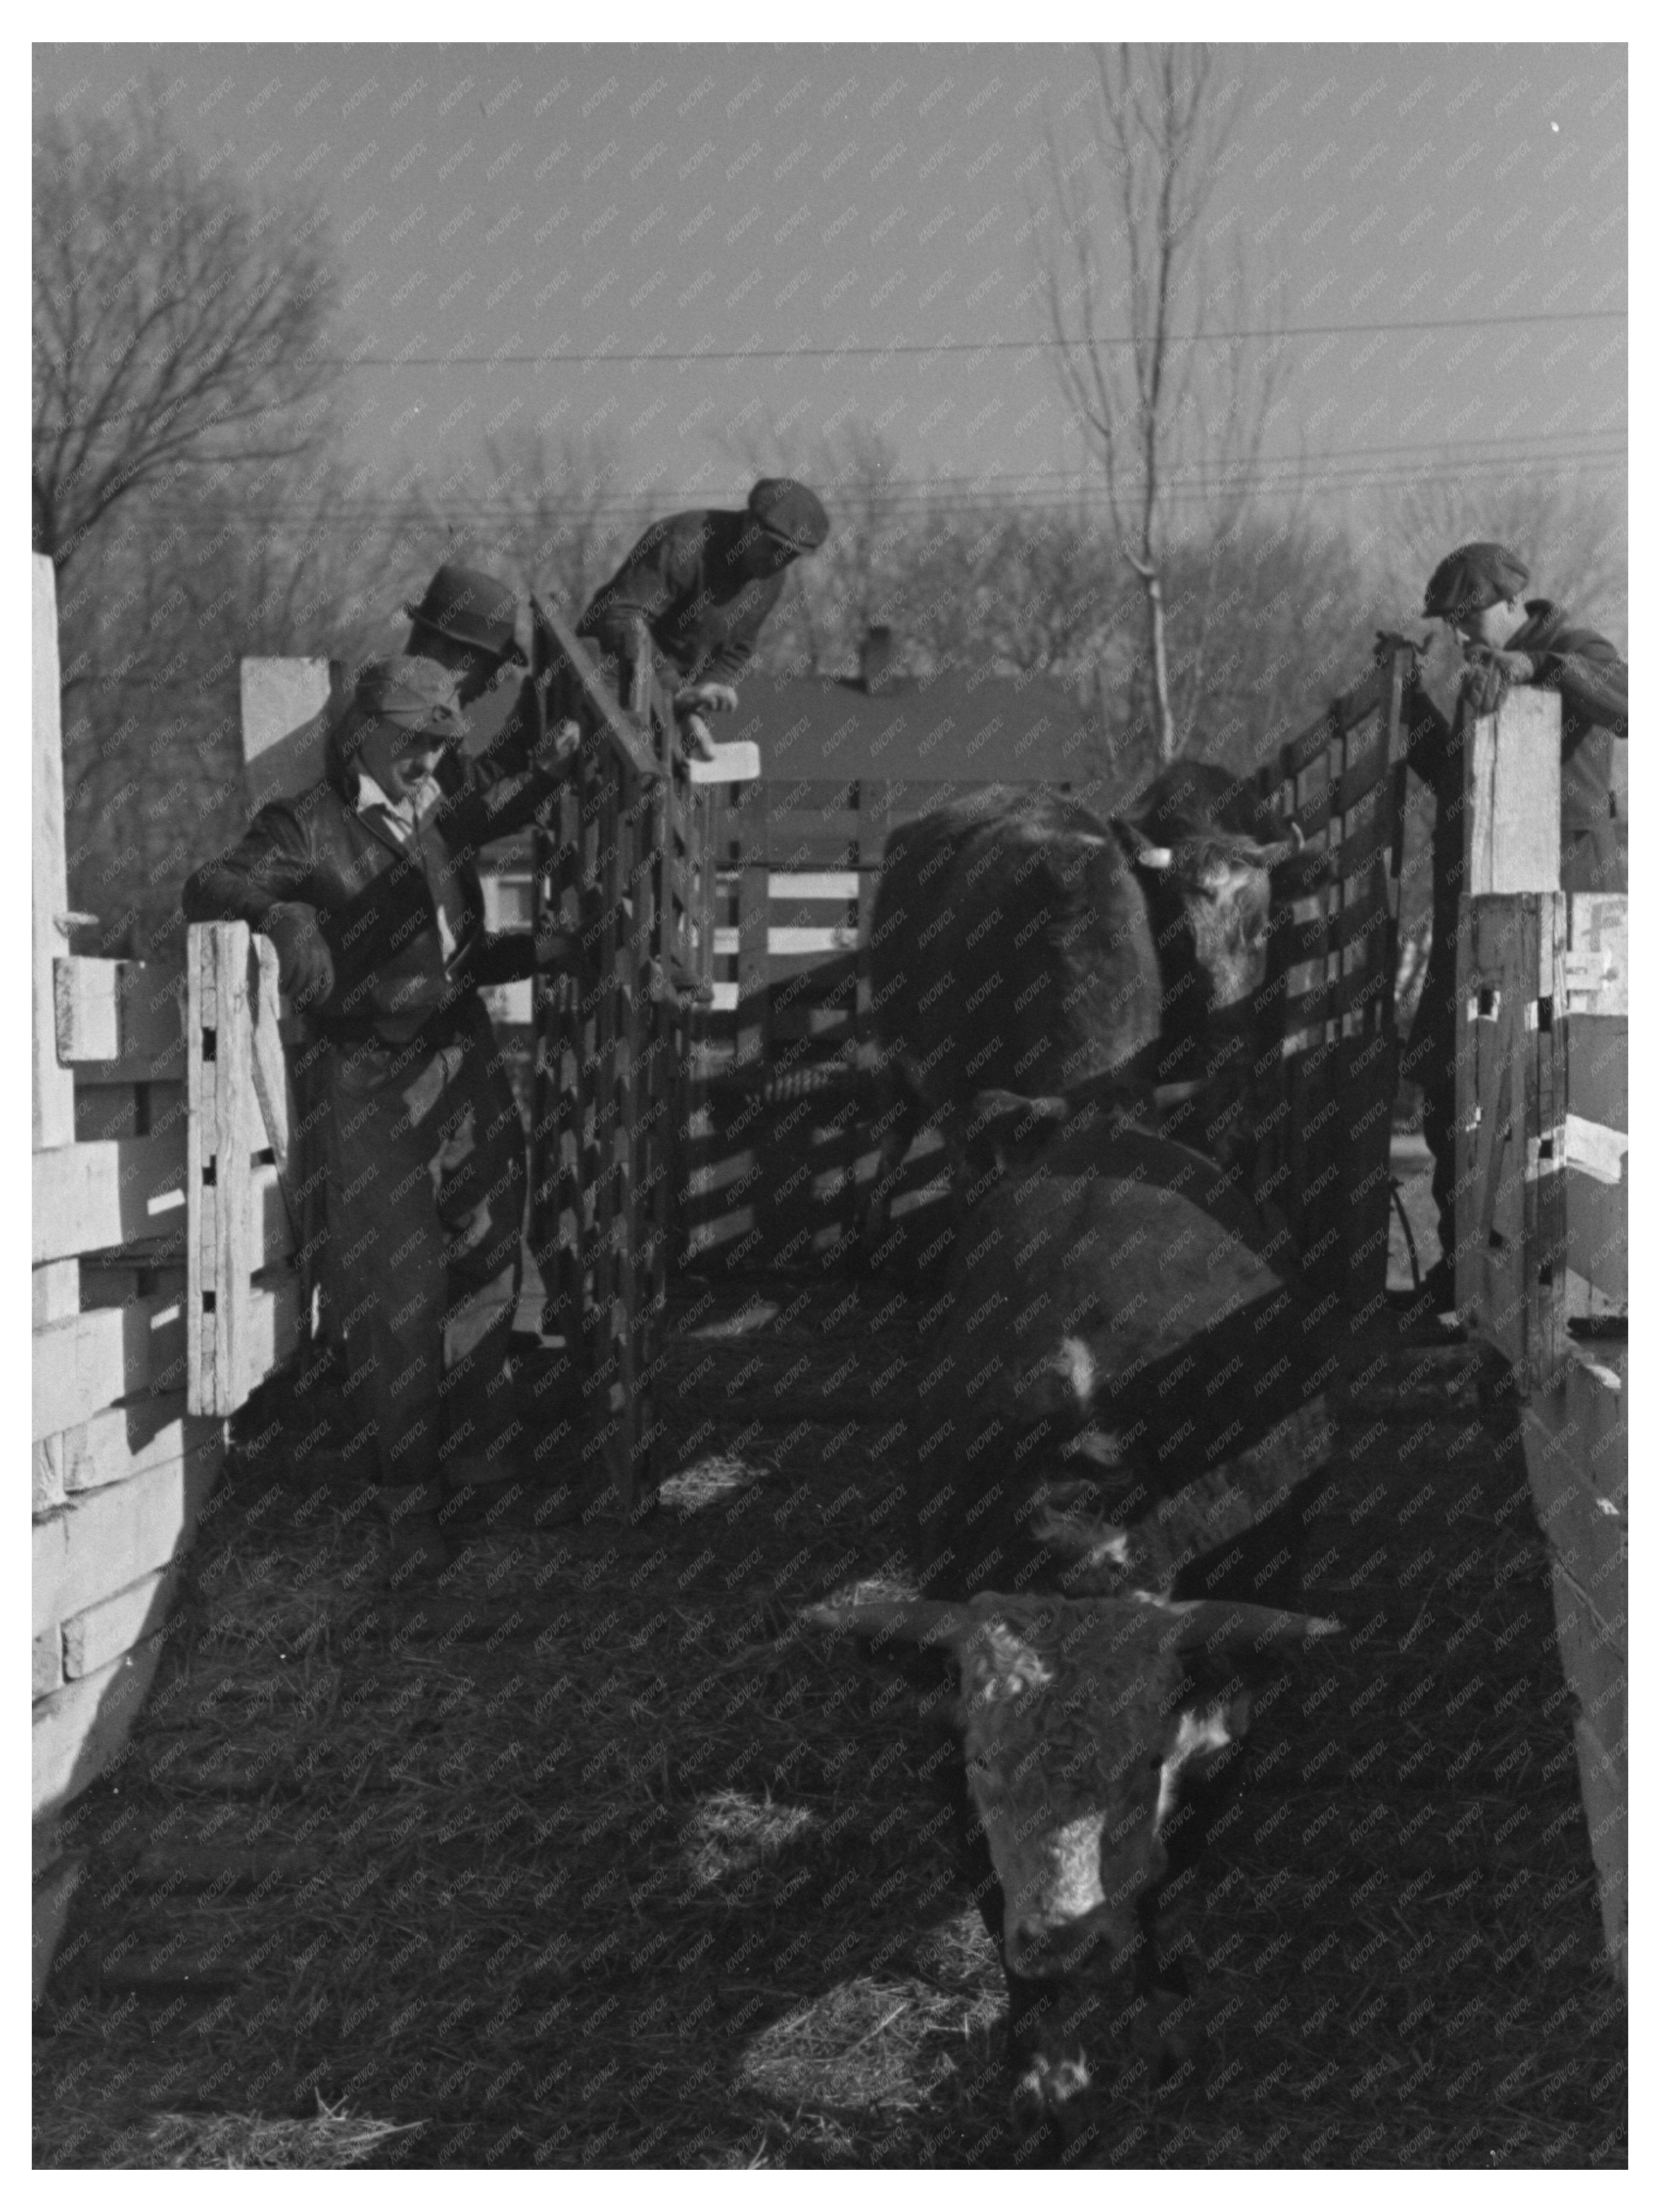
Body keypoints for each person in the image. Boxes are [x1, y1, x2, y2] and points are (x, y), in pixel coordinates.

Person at [182, 656, 580, 1584]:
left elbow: (465, 951)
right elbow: (208, 883)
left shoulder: (437, 814)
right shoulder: (308, 825)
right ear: (366, 733)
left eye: (444, 740)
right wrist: (281, 916)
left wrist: (549, 947)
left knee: (489, 1251)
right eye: (415, 739)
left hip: (460, 1050)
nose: (432, 756)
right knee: (395, 1294)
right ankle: (407, 1503)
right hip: (364, 1070)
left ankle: (484, 1479)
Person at [1385, 541, 1628, 1312]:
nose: (1459, 638)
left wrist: (1542, 672)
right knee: (1447, 1079)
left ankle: (1566, 1283)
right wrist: (1408, 702)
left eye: (1463, 619)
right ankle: (1468, 1270)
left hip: (1563, 920)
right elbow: (1460, 785)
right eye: (1450, 626)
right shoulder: (1480, 680)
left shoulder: (1574, 650)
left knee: (1556, 1098)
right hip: (1478, 918)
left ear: (1501, 603)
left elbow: (1630, 703)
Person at [576, 476, 829, 760]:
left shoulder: (770, 580)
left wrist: (693, 708)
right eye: (773, 547)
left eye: (791, 556)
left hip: (664, 704)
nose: (778, 562)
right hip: (603, 680)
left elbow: (737, 650)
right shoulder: (684, 543)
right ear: (750, 524)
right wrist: (677, 695)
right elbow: (620, 618)